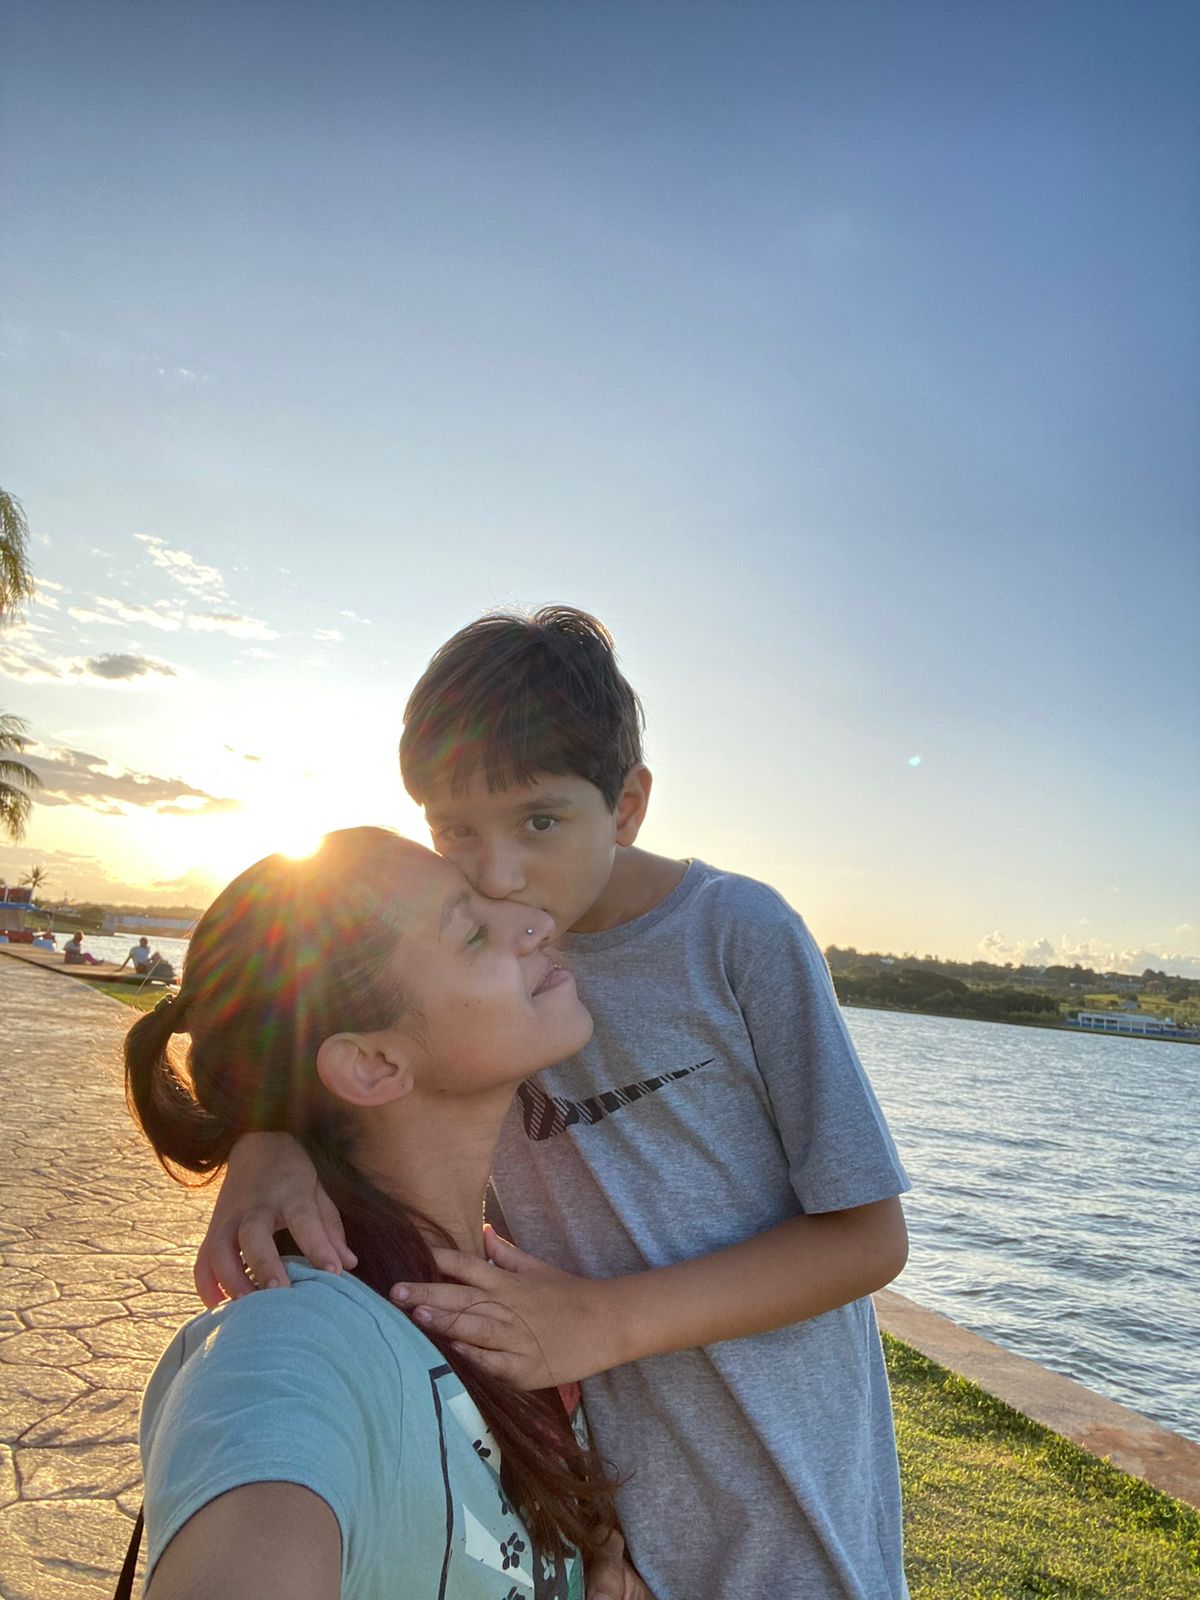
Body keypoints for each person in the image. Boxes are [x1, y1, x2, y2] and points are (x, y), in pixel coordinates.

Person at [197, 608, 912, 1600]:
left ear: (627, 805)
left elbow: (870, 1237)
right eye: (455, 830)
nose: (495, 874)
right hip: (603, 1541)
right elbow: (328, 1013)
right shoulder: (493, 982)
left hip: (793, 1523)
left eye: (539, 821)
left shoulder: (735, 936)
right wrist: (266, 1136)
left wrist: (598, 1321)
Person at [126, 827, 651, 1600]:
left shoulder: (514, 1279)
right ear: (373, 1063)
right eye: (473, 928)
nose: (534, 920)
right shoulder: (290, 1345)